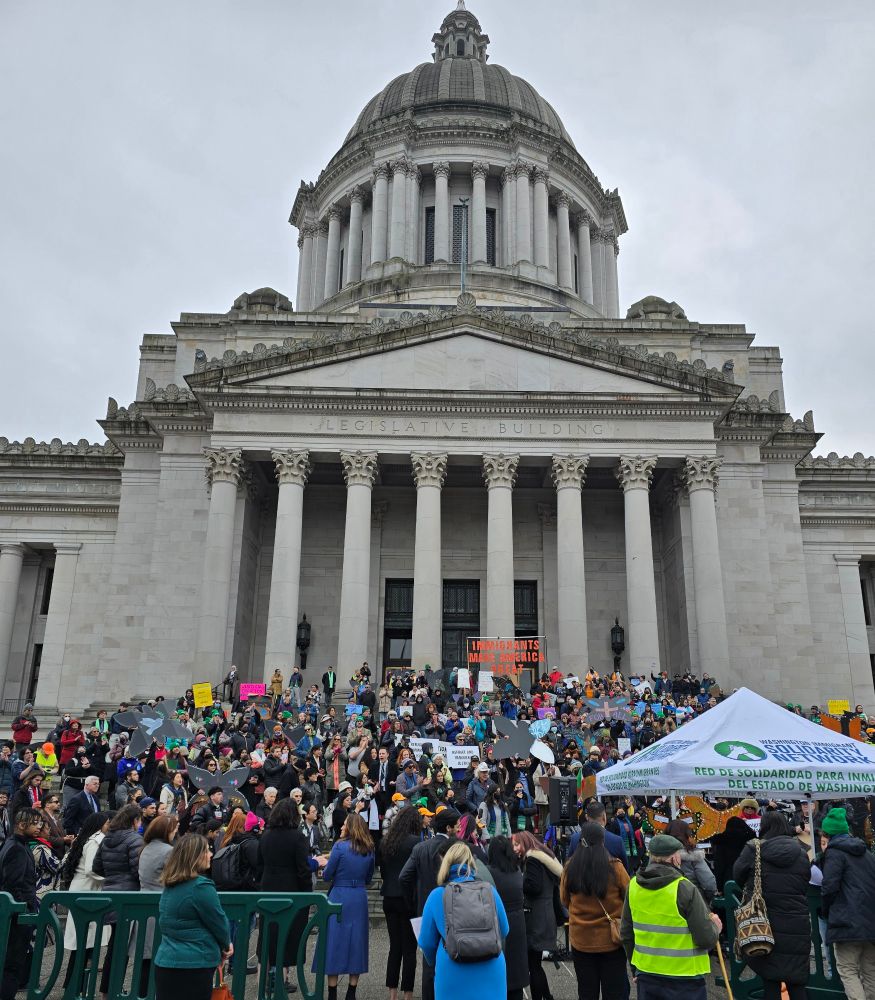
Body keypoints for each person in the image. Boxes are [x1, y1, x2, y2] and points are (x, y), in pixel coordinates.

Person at [620, 833, 721, 1000]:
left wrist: (635, 969)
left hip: (647, 975)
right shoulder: (684, 888)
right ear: (674, 858)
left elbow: (626, 933)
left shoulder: (633, 886)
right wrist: (716, 928)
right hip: (685, 980)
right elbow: (706, 938)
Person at [734, 812, 812, 1000]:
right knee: (796, 980)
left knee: (770, 980)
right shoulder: (801, 851)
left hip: (765, 922)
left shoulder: (754, 850)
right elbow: (805, 881)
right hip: (797, 923)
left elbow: (737, 875)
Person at [418, 841, 510, 1000]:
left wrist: (437, 961)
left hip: (452, 971)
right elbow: (504, 929)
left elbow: (426, 942)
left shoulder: (436, 895)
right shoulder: (489, 891)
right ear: (471, 862)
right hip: (491, 970)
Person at [153, 833, 232, 1000]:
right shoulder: (201, 887)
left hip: (166, 961)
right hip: (195, 963)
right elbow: (218, 922)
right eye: (206, 851)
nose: (211, 854)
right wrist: (226, 945)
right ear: (195, 856)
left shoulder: (170, 885)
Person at [259, 797, 324, 991]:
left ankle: (265, 978)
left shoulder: (266, 835)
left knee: (268, 935)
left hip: (268, 889)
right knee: (287, 936)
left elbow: (259, 863)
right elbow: (303, 870)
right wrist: (306, 893)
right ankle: (282, 979)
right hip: (291, 891)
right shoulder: (297, 837)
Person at [560, 821, 630, 1000]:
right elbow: (629, 897)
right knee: (614, 992)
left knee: (586, 991)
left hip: (581, 940)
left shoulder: (570, 868)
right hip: (611, 940)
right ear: (602, 841)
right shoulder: (615, 867)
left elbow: (564, 900)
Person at [819, 806, 875, 1000]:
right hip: (870, 922)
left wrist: (826, 912)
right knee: (870, 972)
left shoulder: (835, 853)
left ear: (828, 833)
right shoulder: (866, 853)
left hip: (846, 922)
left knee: (848, 970)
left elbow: (829, 887)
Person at [320, 812, 375, 1000]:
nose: (342, 827)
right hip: (358, 897)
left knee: (334, 941)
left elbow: (327, 876)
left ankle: (332, 993)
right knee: (356, 942)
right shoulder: (369, 849)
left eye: (344, 825)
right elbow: (369, 878)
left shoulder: (339, 847)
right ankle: (351, 992)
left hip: (339, 895)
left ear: (350, 827)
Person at [93, 802, 144, 997]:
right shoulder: (134, 839)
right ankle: (113, 989)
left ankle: (107, 990)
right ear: (134, 821)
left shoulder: (108, 839)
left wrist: (113, 875)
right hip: (129, 896)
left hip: (110, 894)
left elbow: (97, 867)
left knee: (114, 948)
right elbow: (137, 870)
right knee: (121, 949)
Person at [59, 810, 112, 990]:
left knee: (85, 943)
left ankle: (74, 984)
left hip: (84, 891)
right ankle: (75, 985)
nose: (110, 825)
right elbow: (92, 869)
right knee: (84, 943)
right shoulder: (95, 841)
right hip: (87, 893)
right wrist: (110, 878)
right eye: (107, 822)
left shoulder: (87, 839)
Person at [379, 806, 423, 1000]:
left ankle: (392, 993)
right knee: (409, 948)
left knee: (394, 946)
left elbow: (382, 871)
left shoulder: (385, 842)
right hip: (408, 899)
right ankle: (408, 994)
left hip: (389, 896)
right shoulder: (415, 843)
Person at [513, 831, 562, 1000]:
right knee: (535, 964)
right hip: (545, 914)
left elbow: (534, 887)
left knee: (533, 965)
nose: (514, 848)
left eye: (516, 844)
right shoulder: (544, 857)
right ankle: (546, 996)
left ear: (525, 843)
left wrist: (519, 881)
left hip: (536, 918)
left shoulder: (533, 860)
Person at [0, 808, 41, 1000]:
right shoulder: (16, 848)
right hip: (18, 917)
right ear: (21, 825)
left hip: (18, 915)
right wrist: (25, 911)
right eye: (34, 823)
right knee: (12, 966)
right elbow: (12, 885)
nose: (38, 827)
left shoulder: (14, 844)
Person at [137, 814, 179, 996]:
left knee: (146, 961)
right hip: (162, 906)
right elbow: (175, 878)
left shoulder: (146, 848)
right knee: (159, 959)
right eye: (175, 830)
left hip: (144, 904)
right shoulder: (168, 851)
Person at [487, 835, 529, 1000]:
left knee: (500, 976)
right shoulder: (516, 871)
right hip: (518, 924)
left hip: (498, 924)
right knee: (516, 976)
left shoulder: (490, 873)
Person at [664, 819, 716, 904]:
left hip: (666, 901)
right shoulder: (694, 855)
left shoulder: (657, 857)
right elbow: (709, 883)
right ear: (687, 834)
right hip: (693, 901)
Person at [568, 800, 629, 872]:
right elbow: (625, 871)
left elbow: (569, 868)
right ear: (604, 817)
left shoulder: (575, 839)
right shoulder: (616, 841)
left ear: (587, 817)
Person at [710, 815, 755, 894]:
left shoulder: (721, 841)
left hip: (728, 881)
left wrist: (719, 887)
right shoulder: (751, 840)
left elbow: (719, 865)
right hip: (747, 879)